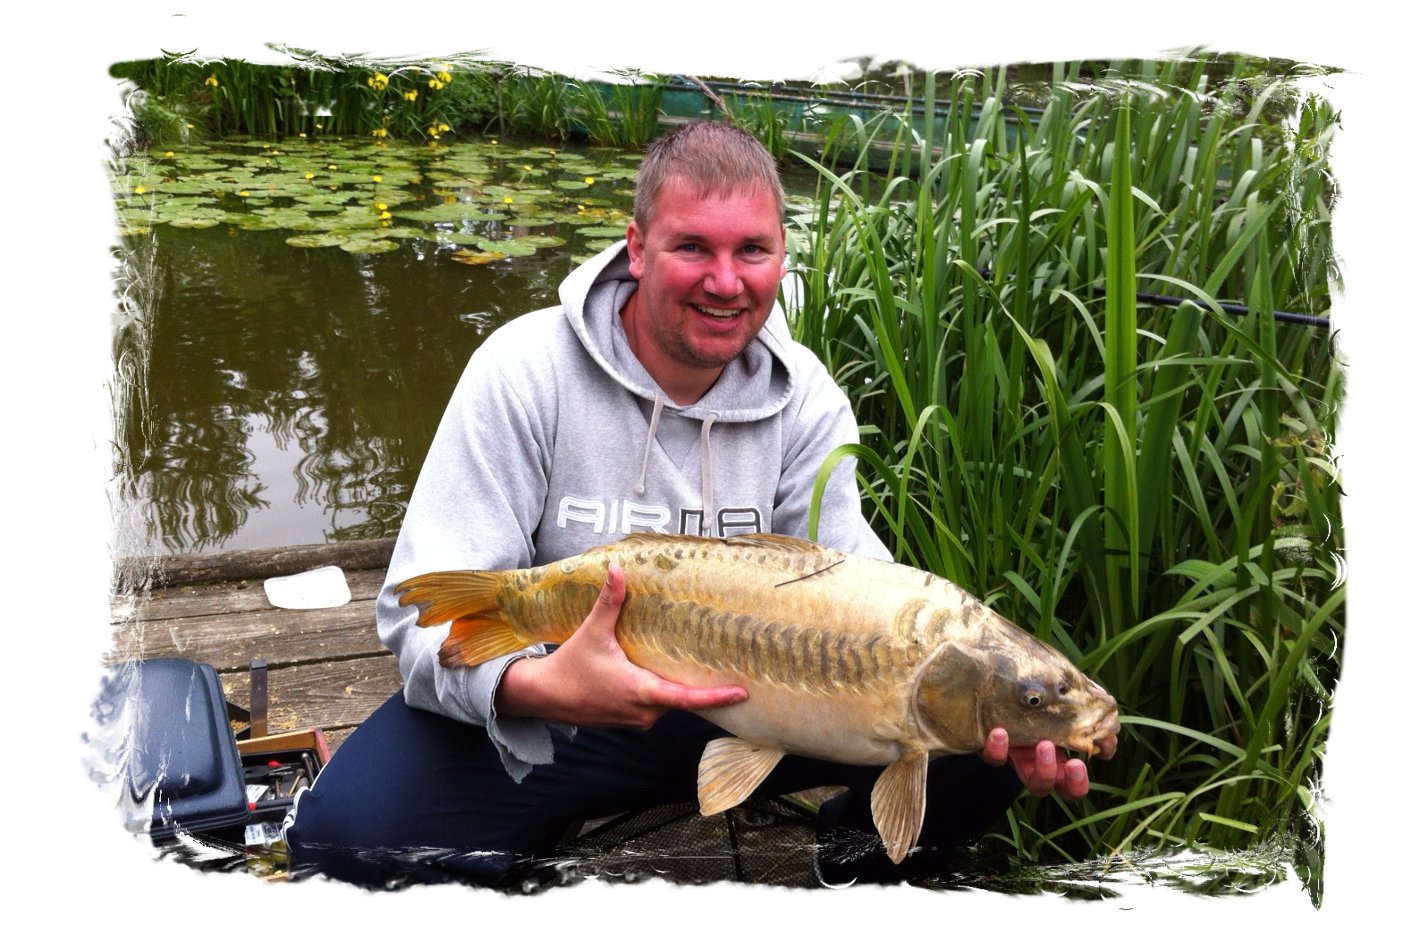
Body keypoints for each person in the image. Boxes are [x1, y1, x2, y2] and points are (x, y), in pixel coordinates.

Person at [283, 120, 1115, 889]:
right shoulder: (522, 371)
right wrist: (538, 687)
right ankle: (527, 852)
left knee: (993, 731)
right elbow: (420, 615)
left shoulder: (808, 401)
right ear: (637, 247)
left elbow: (861, 585)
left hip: (768, 703)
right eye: (693, 247)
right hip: (565, 701)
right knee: (348, 835)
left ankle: (853, 859)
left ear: (784, 254)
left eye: (752, 249)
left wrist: (1031, 717)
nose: (726, 281)